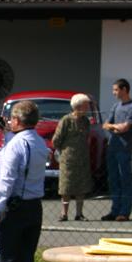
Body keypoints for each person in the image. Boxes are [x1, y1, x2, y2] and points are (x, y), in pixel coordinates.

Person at [0, 100, 47, 262]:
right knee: (26, 256)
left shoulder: (16, 145)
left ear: (17, 120)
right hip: (34, 206)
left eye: (11, 119)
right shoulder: (40, 142)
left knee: (8, 259)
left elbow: (6, 178)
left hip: (15, 208)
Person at [101, 78, 132, 222]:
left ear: (124, 89)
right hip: (112, 148)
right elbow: (105, 125)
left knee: (125, 179)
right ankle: (114, 210)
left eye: (116, 89)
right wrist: (116, 127)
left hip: (124, 149)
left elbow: (126, 127)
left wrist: (116, 127)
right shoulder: (116, 106)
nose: (114, 92)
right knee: (113, 180)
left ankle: (124, 212)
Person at [52, 93, 94, 222]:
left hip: (82, 158)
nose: (87, 108)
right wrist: (64, 151)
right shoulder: (66, 120)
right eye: (85, 105)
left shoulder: (85, 121)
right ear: (78, 106)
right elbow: (56, 140)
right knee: (66, 187)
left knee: (81, 187)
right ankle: (64, 214)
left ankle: (79, 214)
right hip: (68, 159)